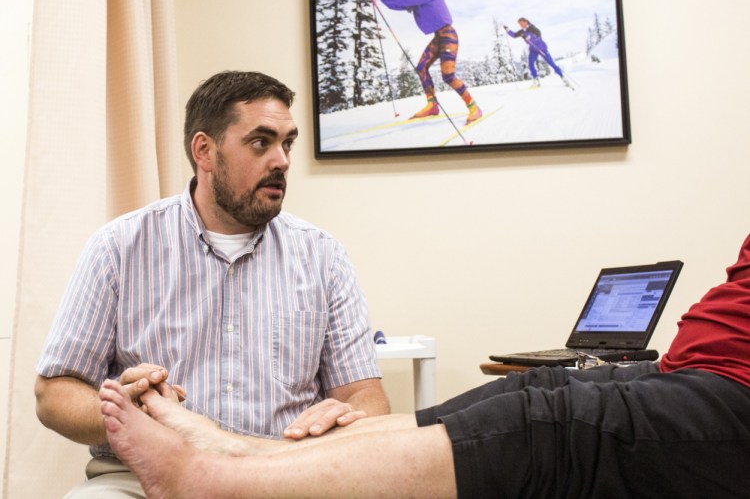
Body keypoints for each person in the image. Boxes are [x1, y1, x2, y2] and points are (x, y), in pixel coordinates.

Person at [99, 233, 750, 497]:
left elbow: (365, 393)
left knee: (551, 419)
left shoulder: (316, 253)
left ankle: (211, 480)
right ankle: (241, 448)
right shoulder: (134, 240)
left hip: (733, 392)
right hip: (697, 371)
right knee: (531, 386)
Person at [35, 70, 390, 497]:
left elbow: (365, 396)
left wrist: (346, 416)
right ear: (204, 150)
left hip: (281, 474)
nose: (282, 160)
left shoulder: (323, 257)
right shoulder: (119, 247)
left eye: (287, 142)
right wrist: (122, 410)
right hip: (141, 478)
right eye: (261, 142)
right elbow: (54, 394)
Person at [359, 0, 483, 124]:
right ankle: (432, 105)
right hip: (438, 38)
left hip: (448, 35)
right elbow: (398, 3)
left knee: (448, 75)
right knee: (421, 68)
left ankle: (474, 107)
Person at [504, 17, 574, 89]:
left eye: (522, 24)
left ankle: (563, 78)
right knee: (531, 64)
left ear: (526, 22)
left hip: (541, 48)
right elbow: (514, 35)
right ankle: (536, 81)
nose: (521, 26)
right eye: (519, 24)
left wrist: (529, 37)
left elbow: (538, 36)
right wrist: (507, 30)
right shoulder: (522, 31)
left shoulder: (533, 28)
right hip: (533, 50)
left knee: (551, 63)